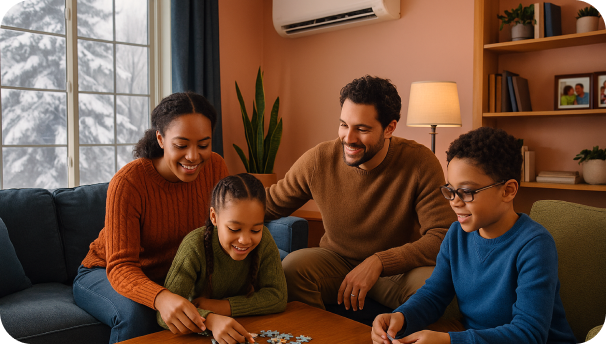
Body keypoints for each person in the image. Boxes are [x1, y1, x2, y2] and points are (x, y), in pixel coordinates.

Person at [265, 75, 456, 312]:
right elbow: (270, 203)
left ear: (390, 128)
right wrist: (219, 210)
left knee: (437, 290)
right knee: (292, 267)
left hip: (397, 272)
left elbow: (442, 236)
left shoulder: (419, 162)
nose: (349, 138)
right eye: (344, 125)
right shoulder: (319, 159)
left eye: (362, 129)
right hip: (336, 262)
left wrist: (379, 262)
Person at [371, 127, 576, 344]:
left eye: (466, 192)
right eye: (450, 190)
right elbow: (433, 295)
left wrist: (449, 341)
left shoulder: (535, 245)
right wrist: (401, 316)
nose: (454, 202)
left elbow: (529, 334)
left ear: (508, 190)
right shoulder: (456, 235)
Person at [73, 92, 229, 343]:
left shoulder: (216, 167)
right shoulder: (129, 183)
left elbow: (218, 236)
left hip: (169, 275)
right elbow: (121, 266)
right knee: (135, 315)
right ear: (160, 138)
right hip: (104, 272)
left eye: (203, 145)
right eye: (181, 145)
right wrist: (161, 298)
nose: (193, 156)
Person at [157, 174, 287, 344]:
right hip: (196, 330)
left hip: (243, 327)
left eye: (255, 230)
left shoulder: (265, 241)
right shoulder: (193, 246)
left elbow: (278, 297)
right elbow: (163, 315)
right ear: (214, 217)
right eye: (234, 228)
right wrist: (211, 319)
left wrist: (222, 307)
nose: (245, 240)